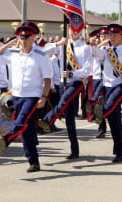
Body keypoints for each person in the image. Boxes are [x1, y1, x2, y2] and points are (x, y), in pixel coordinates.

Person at [0, 22, 51, 172]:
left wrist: (43, 97)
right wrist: (8, 44)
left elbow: (47, 79)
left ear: (34, 37)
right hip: (17, 95)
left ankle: (7, 139)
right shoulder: (13, 54)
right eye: (21, 37)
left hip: (32, 96)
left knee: (21, 121)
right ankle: (34, 162)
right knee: (27, 130)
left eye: (26, 37)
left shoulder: (41, 55)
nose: (23, 40)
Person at [38, 28, 91, 160]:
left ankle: (48, 119)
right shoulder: (63, 46)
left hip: (76, 82)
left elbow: (88, 69)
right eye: (71, 30)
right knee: (69, 118)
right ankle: (75, 150)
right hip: (63, 83)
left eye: (76, 30)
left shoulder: (85, 48)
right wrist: (57, 44)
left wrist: (72, 73)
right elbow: (42, 51)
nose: (74, 33)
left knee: (64, 101)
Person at [91, 24, 122, 162]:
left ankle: (99, 114)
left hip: (120, 86)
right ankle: (119, 151)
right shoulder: (106, 51)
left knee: (109, 106)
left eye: (114, 35)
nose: (112, 37)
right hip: (107, 86)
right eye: (110, 35)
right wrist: (92, 45)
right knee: (114, 119)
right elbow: (97, 54)